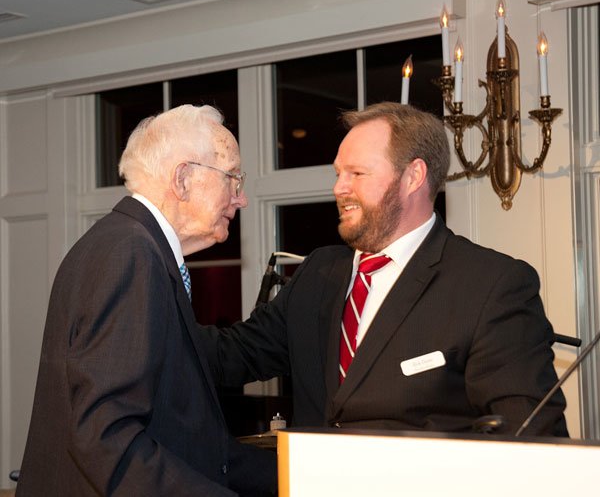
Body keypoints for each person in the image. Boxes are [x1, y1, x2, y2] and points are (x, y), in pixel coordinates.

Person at [199, 102, 568, 436]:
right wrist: (153, 286)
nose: (339, 188)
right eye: (338, 173)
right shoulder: (319, 272)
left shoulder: (491, 285)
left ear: (413, 176)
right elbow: (233, 355)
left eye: (357, 173)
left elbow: (531, 438)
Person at [17, 105, 277, 496]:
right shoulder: (131, 254)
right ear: (183, 179)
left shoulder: (126, 243)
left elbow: (186, 438)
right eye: (233, 178)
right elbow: (106, 439)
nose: (240, 199)